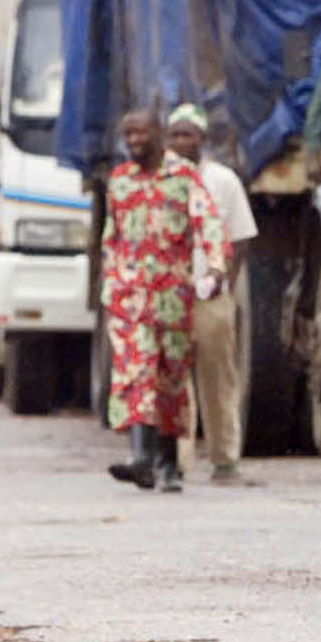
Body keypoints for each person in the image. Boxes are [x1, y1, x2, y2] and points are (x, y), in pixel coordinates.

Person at [101, 108, 227, 493]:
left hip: (172, 298)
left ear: (157, 133)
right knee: (136, 373)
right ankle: (140, 459)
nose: (135, 142)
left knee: (170, 381)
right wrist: (108, 282)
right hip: (129, 299)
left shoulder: (184, 178)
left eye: (141, 134)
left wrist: (216, 269)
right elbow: (112, 237)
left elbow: (209, 224)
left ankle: (168, 465)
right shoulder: (120, 182)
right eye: (129, 136)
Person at [165, 103, 260, 485]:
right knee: (173, 380)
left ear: (202, 139)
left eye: (188, 134)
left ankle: (225, 459)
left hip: (211, 297)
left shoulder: (222, 181)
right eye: (175, 134)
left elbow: (240, 238)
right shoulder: (161, 179)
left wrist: (223, 282)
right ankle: (178, 460)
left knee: (219, 378)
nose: (180, 142)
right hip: (170, 295)